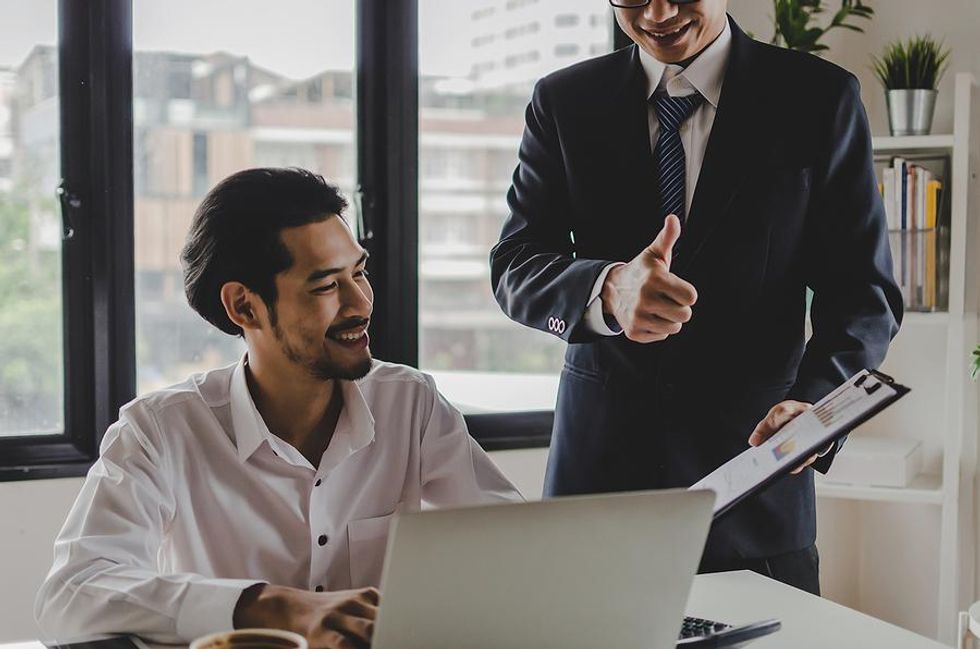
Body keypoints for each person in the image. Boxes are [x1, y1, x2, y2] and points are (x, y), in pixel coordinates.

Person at [490, 0, 902, 594]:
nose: (658, 12)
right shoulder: (564, 101)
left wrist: (814, 406)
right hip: (597, 492)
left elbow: (865, 295)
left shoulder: (818, 98)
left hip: (756, 485)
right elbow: (516, 264)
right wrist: (607, 290)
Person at [36, 168, 522, 648]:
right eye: (327, 286)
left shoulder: (410, 403)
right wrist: (270, 606)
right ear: (244, 307)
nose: (361, 303)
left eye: (360, 272)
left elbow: (518, 549)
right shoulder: (160, 430)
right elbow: (71, 595)